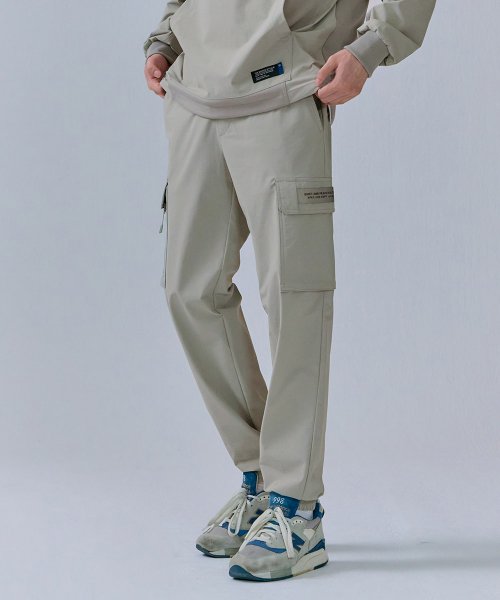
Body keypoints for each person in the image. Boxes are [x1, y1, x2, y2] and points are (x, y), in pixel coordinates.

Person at [143, 0, 435, 582]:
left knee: (294, 297)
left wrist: (372, 46)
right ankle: (259, 478)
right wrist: (168, 34)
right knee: (189, 291)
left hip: (286, 80)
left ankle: (296, 506)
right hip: (194, 90)